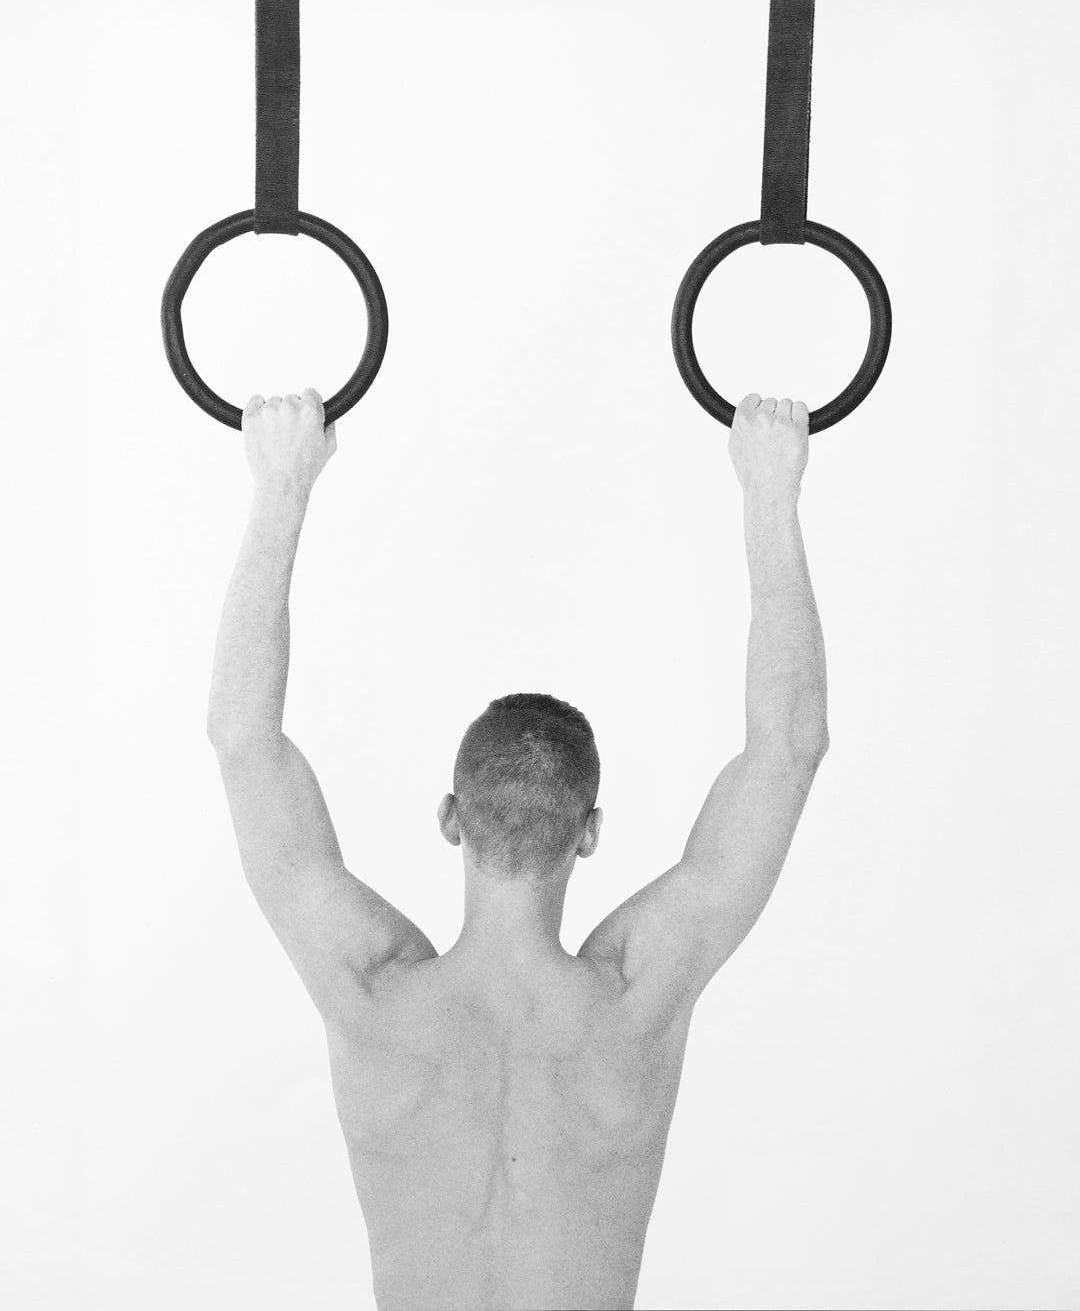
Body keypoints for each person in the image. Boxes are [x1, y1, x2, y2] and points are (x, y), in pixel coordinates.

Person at [207, 388, 829, 1311]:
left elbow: (242, 740)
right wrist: (771, 492)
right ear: (590, 831)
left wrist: (280, 487)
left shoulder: (372, 990)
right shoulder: (636, 997)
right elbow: (788, 750)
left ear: (450, 817)